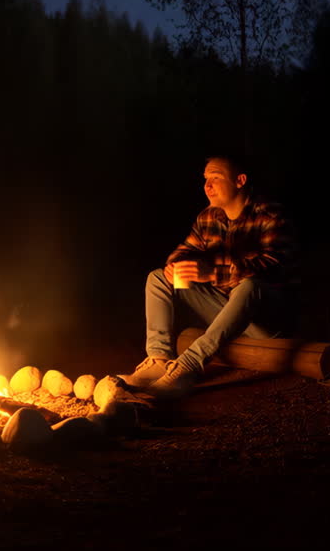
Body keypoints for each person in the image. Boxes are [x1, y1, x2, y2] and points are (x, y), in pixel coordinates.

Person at [128, 155, 299, 398]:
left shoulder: (270, 215)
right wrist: (175, 266)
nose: (207, 185)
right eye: (206, 179)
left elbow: (272, 267)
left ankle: (188, 365)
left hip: (268, 322)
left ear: (239, 181)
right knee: (158, 278)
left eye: (216, 178)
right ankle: (158, 359)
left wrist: (212, 274)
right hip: (227, 312)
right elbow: (184, 250)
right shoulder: (209, 217)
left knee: (249, 285)